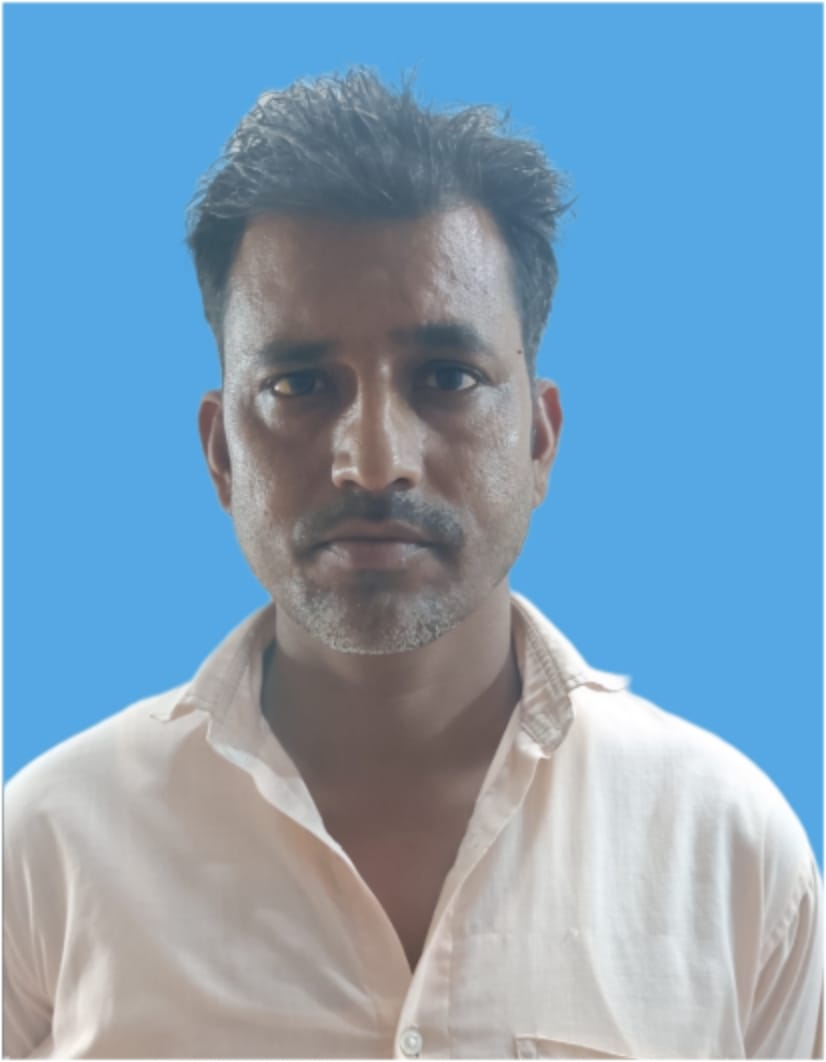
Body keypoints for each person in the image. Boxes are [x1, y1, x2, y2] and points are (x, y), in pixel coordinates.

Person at [3, 69, 822, 1061]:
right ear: (221, 454)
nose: (373, 459)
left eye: (446, 377)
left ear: (539, 440)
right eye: (299, 385)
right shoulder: (46, 850)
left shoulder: (728, 851)